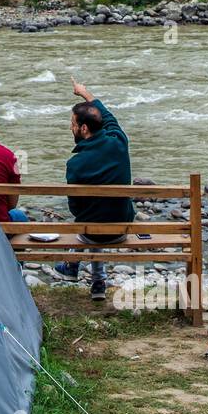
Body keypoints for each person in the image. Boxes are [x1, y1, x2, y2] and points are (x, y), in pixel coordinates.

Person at [57, 79, 135, 301]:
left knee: (90, 222)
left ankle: (72, 266)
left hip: (90, 233)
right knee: (98, 217)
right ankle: (98, 281)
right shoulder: (119, 141)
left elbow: (75, 208)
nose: (70, 127)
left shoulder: (76, 164)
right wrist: (85, 94)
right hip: (121, 228)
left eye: (72, 123)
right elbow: (109, 117)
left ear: (83, 128)